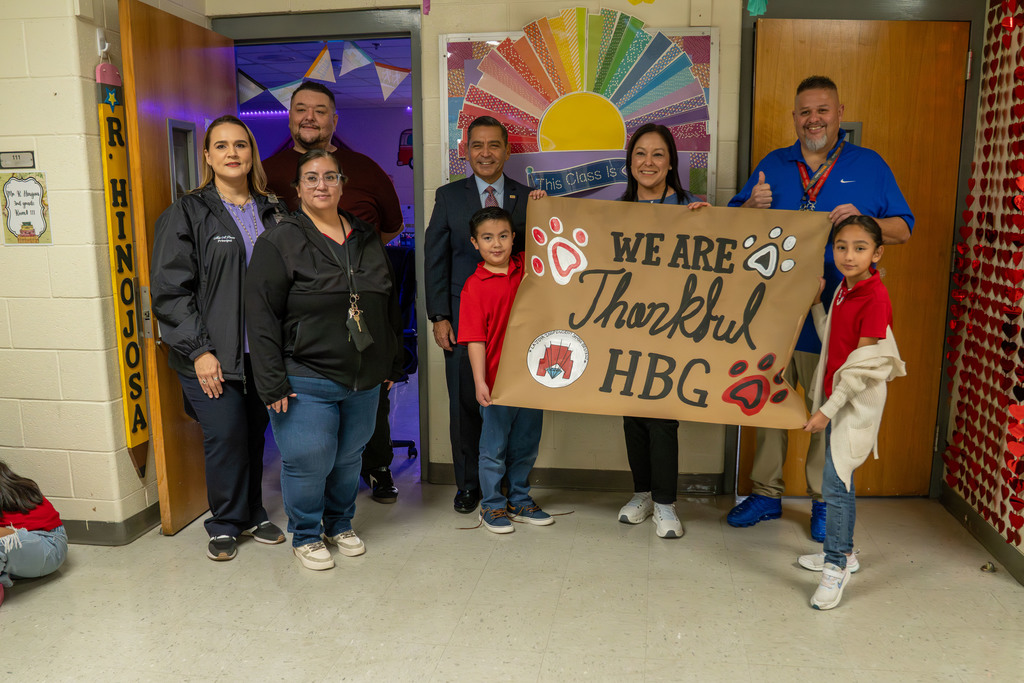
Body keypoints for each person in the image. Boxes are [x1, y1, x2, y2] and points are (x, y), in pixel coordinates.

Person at [726, 75, 913, 540]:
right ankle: (766, 494)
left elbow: (904, 229)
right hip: (773, 315)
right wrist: (751, 203)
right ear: (795, 117)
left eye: (823, 110)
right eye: (805, 111)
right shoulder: (774, 163)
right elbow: (730, 224)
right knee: (769, 403)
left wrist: (862, 220)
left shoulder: (868, 165)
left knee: (827, 406)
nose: (814, 119)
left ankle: (823, 500)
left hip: (835, 318)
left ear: (838, 112)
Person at [245, 149, 403, 571]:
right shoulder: (279, 240)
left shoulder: (366, 236)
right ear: (297, 189)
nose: (321, 184)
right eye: (311, 177)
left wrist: (391, 362)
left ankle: (340, 523)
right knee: (310, 457)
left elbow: (387, 304)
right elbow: (260, 316)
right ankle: (307, 533)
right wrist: (271, 381)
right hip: (305, 374)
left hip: (364, 375)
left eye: (330, 176)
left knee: (350, 455)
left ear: (342, 184)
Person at [151, 115, 287, 562]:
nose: (233, 153)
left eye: (241, 145)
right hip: (211, 352)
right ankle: (225, 521)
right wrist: (199, 351)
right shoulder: (187, 212)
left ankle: (253, 512)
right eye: (222, 146)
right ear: (207, 156)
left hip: (261, 352)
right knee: (226, 434)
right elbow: (171, 292)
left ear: (252, 154)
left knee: (253, 434)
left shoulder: (274, 209)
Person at [263, 82, 405, 503]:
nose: (310, 117)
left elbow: (391, 228)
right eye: (301, 109)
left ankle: (376, 468)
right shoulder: (266, 171)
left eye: (320, 110)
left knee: (367, 406)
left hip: (360, 316)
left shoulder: (365, 168)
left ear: (334, 120)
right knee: (310, 432)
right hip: (302, 326)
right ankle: (309, 516)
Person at [424, 116, 538, 514]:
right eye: (477, 145)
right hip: (462, 321)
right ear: (465, 151)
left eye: (493, 145)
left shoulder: (528, 199)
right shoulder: (448, 196)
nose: (485, 153)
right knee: (467, 404)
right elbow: (435, 258)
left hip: (516, 325)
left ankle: (507, 487)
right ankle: (469, 485)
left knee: (514, 405)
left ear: (507, 151)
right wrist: (439, 316)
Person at [798, 216, 905, 609]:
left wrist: (826, 411)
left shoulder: (875, 297)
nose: (848, 255)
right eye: (841, 247)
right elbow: (834, 341)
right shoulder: (845, 288)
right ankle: (845, 551)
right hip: (836, 398)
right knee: (837, 479)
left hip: (852, 405)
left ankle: (836, 564)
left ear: (877, 253)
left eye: (860, 248)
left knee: (836, 483)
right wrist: (816, 306)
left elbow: (861, 370)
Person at [613, 123, 710, 539]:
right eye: (639, 154)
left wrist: (707, 224)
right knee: (632, 415)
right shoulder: (616, 210)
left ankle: (666, 504)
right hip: (626, 326)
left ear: (671, 162)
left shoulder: (693, 208)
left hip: (674, 329)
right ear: (630, 162)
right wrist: (543, 205)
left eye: (657, 154)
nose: (647, 162)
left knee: (663, 418)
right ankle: (642, 494)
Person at [458, 207, 551, 533]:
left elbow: (558, 238)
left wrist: (544, 202)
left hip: (534, 379)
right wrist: (480, 381)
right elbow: (475, 340)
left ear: (514, 238)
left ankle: (520, 499)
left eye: (502, 236)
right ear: (475, 243)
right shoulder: (474, 286)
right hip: (498, 384)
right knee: (493, 449)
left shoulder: (529, 267)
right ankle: (492, 505)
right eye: (487, 238)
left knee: (526, 445)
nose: (496, 244)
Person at [0, 461, 68, 607]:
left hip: (49, 543)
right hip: (22, 553)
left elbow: (8, 535)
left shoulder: (15, 491)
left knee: (2, 543)